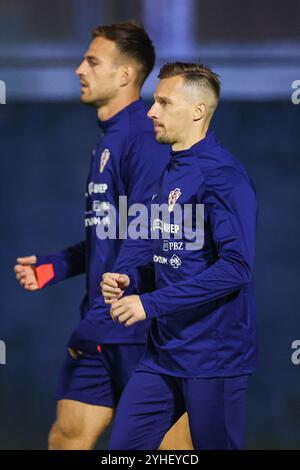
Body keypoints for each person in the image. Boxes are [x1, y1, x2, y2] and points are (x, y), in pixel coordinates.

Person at [14, 25, 192, 450]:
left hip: (144, 332)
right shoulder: (109, 141)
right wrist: (56, 265)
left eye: (92, 61)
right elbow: (108, 235)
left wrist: (109, 311)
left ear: (126, 75)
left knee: (170, 452)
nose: (80, 69)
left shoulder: (145, 140)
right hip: (101, 328)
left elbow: (157, 235)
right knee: (66, 438)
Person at [101, 62, 258, 450]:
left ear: (197, 111)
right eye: (154, 101)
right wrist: (131, 280)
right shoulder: (170, 172)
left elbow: (237, 269)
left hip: (213, 360)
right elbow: (171, 254)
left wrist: (149, 304)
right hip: (162, 356)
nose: (151, 111)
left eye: (163, 102)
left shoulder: (223, 176)